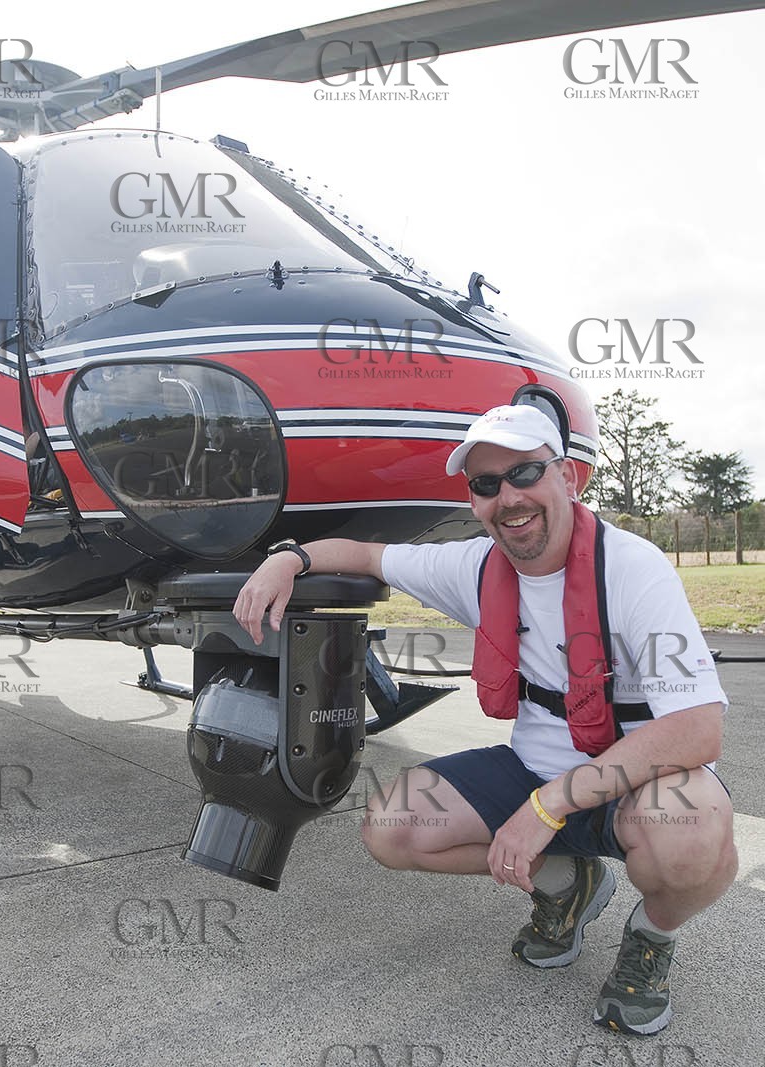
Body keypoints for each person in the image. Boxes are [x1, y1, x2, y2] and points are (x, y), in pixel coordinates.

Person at [231, 404, 736, 1036]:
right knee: (393, 827)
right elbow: (362, 554)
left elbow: (697, 730)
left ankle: (651, 935)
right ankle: (567, 884)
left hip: (639, 784)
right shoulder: (471, 566)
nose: (508, 497)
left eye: (525, 472)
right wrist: (289, 559)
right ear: (474, 500)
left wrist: (548, 807)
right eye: (486, 484)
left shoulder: (635, 570)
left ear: (571, 478)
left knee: (688, 835)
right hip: (535, 767)